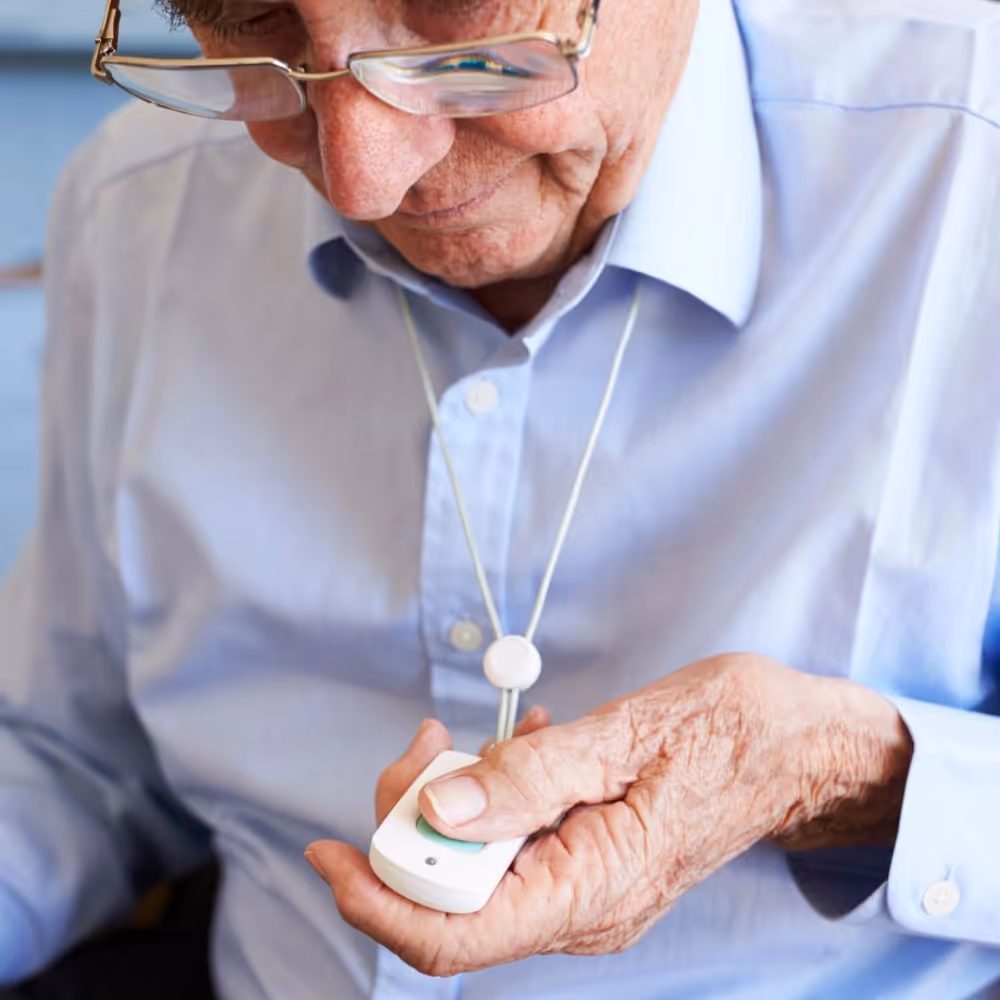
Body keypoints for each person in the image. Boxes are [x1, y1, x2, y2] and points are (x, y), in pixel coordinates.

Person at [1, 0, 999, 996]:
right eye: (254, 23)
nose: (362, 175)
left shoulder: (968, 177)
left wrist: (845, 773)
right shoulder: (135, 207)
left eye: (456, 32)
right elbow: (70, 755)